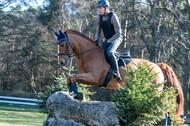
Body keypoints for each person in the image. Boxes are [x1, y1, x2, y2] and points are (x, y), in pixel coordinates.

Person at [95, 0, 122, 81]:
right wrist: (97, 40)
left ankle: (117, 72)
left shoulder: (113, 17)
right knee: (99, 52)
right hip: (108, 39)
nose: (99, 10)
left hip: (117, 38)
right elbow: (98, 32)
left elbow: (118, 33)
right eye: (98, 8)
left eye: (100, 8)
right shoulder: (99, 18)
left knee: (110, 52)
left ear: (106, 8)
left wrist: (109, 41)